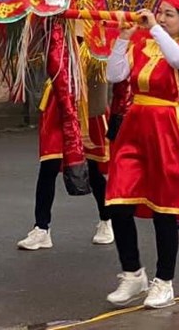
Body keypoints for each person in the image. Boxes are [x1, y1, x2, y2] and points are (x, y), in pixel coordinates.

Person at [103, 0, 179, 309]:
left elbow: (176, 59)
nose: (160, 18)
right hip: (135, 127)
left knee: (165, 210)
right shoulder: (144, 45)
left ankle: (164, 281)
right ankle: (133, 273)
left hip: (168, 131)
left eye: (168, 15)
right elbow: (114, 74)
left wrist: (154, 29)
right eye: (159, 12)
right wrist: (123, 38)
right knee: (117, 201)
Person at [16, 63, 113, 250]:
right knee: (48, 165)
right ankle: (41, 228)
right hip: (58, 101)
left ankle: (106, 219)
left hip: (85, 100)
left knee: (91, 168)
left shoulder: (93, 43)